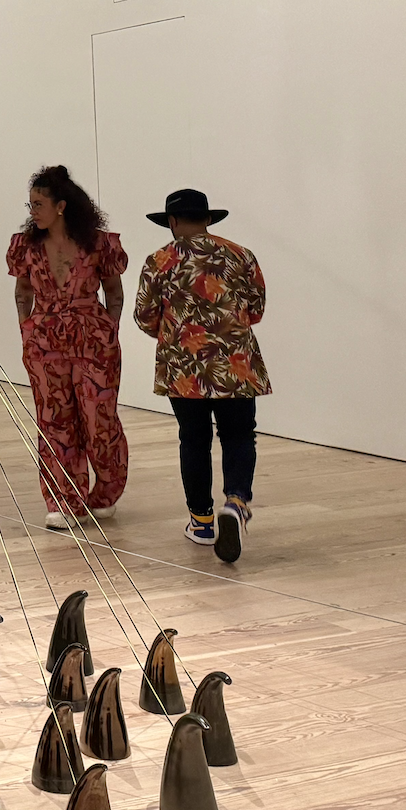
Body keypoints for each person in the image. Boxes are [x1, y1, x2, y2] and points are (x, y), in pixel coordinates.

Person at [133, 188, 270, 564]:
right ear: (208, 219)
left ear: (172, 222)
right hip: (236, 364)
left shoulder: (159, 260)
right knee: (239, 435)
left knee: (193, 440)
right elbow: (255, 308)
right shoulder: (241, 255)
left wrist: (177, 331)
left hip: (184, 368)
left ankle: (202, 522)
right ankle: (237, 503)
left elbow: (145, 317)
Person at [8, 165, 130, 530]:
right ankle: (63, 499)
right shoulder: (26, 246)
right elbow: (22, 292)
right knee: (54, 421)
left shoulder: (98, 244)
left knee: (99, 420)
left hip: (93, 340)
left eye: (38, 204)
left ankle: (106, 491)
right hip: (44, 343)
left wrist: (108, 328)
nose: (32, 211)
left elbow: (114, 291)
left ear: (61, 205)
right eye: (30, 204)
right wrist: (27, 331)